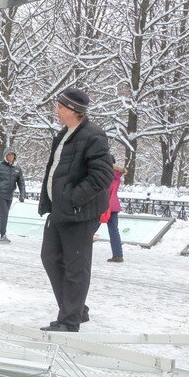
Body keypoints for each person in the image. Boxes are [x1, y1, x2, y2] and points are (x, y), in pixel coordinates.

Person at [38, 88, 114, 332]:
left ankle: (69, 321)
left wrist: (73, 199)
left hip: (79, 214)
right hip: (59, 211)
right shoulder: (63, 134)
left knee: (76, 267)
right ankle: (76, 309)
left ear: (72, 109)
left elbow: (103, 176)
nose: (56, 110)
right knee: (50, 258)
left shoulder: (93, 136)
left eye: (60, 106)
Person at [0, 148, 26, 243]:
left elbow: (21, 183)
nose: (10, 156)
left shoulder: (17, 168)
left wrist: (22, 194)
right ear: (5, 156)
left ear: (14, 156)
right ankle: (3, 235)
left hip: (9, 195)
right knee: (4, 214)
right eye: (8, 155)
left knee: (2, 215)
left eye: (12, 155)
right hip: (0, 194)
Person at [102, 158, 125, 263]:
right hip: (114, 205)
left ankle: (78, 250)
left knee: (90, 228)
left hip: (104, 205)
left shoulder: (106, 173)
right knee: (114, 230)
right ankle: (118, 254)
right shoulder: (117, 175)